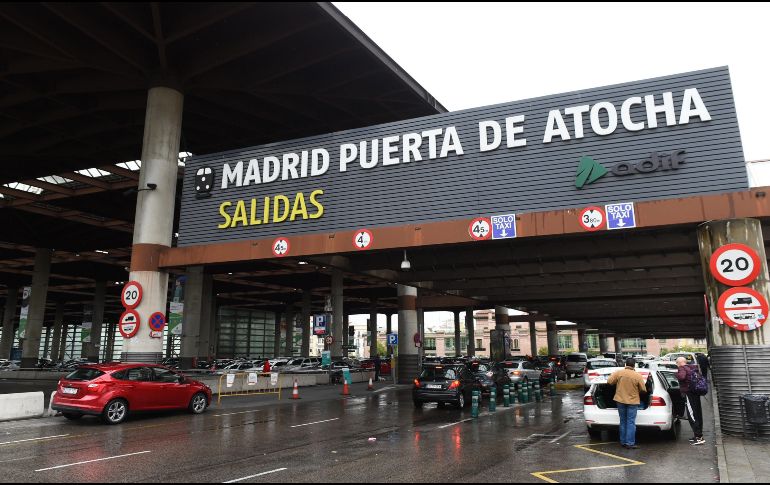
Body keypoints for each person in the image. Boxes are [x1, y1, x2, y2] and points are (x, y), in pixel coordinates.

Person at [607, 358, 647, 449]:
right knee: (630, 422)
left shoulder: (618, 372)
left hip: (620, 400)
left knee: (623, 421)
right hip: (633, 401)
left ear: (626, 364)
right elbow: (643, 389)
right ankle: (630, 443)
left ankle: (623, 442)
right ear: (634, 365)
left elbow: (609, 381)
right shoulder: (638, 376)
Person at [677, 357, 705, 445]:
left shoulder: (682, 368)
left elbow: (682, 376)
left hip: (689, 393)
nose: (677, 365)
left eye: (677, 363)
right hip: (696, 393)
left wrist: (676, 374)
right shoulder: (692, 367)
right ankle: (698, 435)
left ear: (679, 363)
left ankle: (698, 437)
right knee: (697, 414)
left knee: (692, 415)